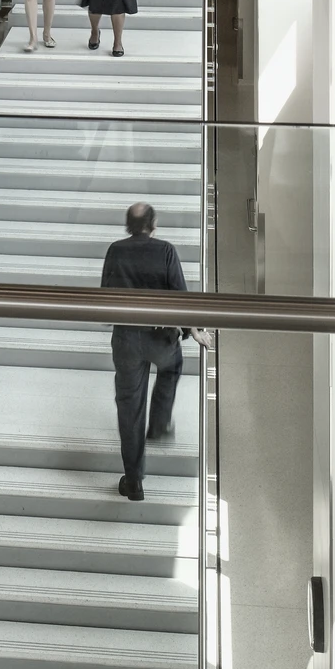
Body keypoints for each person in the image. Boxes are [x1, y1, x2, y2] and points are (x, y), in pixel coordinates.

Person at [99, 203, 210, 501]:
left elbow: (105, 293)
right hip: (160, 338)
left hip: (126, 339)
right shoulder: (166, 251)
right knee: (172, 366)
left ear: (128, 225)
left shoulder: (115, 250)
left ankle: (134, 481)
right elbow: (180, 295)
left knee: (130, 408)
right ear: (153, 224)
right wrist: (194, 330)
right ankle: (159, 423)